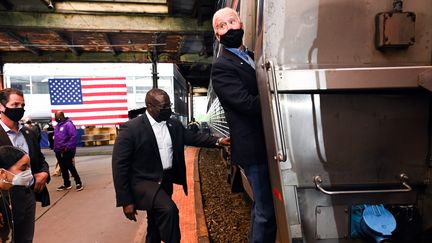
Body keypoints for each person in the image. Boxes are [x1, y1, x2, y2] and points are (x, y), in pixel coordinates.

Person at [112, 88, 230, 243]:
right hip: (143, 182)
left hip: (166, 180)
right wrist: (126, 200)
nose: (168, 110)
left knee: (154, 223)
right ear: (150, 106)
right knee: (169, 210)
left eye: (169, 106)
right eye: (164, 107)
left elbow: (193, 137)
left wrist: (218, 141)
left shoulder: (173, 124)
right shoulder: (131, 129)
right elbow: (119, 166)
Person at [211, 7, 277, 243]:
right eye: (222, 26)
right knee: (266, 212)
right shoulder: (221, 67)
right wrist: (277, 96)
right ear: (217, 36)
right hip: (253, 149)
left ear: (242, 25)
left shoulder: (250, 55)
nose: (229, 28)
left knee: (263, 208)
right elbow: (247, 104)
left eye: (232, 22)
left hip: (266, 143)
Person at [0, 88, 51, 243]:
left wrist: (44, 173)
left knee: (25, 239)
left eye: (22, 105)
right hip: (3, 200)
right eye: (15, 104)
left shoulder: (29, 133)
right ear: (1, 107)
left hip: (27, 196)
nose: (19, 109)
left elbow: (40, 160)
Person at [0, 145, 32, 242]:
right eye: (23, 169)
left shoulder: (7, 191)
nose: (28, 172)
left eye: (28, 167)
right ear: (2, 173)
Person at [53, 111, 83, 191]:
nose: (55, 118)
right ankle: (67, 184)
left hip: (66, 150)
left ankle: (78, 182)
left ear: (61, 116)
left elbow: (73, 136)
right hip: (58, 150)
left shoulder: (68, 124)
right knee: (63, 168)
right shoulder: (57, 126)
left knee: (70, 166)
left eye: (56, 116)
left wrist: (68, 147)